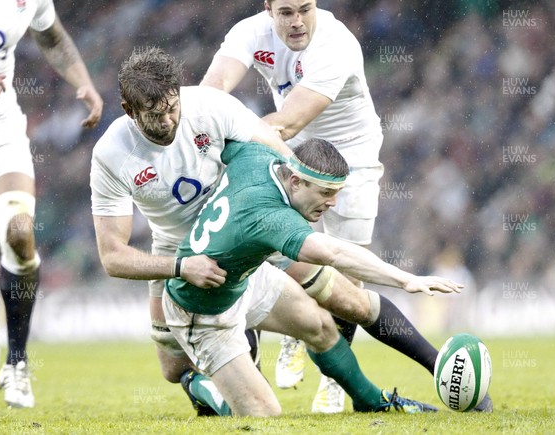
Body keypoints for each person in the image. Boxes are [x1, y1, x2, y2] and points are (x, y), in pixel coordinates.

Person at [198, 0, 498, 414]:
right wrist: (201, 131)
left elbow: (287, 122)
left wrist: (229, 141)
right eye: (285, 12)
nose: (297, 21)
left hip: (350, 161)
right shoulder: (248, 33)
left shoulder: (336, 44)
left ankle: (332, 377)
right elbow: (209, 94)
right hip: (293, 155)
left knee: (346, 274)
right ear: (267, 8)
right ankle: (293, 330)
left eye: (305, 8)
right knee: (278, 246)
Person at [163, 138, 463, 417]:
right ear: (295, 181)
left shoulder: (258, 154)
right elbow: (334, 254)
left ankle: (371, 400)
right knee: (263, 413)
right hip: (202, 308)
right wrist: (404, 279)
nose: (332, 202)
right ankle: (197, 383)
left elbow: (219, 140)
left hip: (246, 278)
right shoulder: (273, 218)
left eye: (336, 193)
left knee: (320, 324)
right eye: (325, 193)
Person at [90, 46, 291, 416]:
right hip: (171, 245)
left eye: (172, 108)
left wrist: (288, 209)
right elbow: (112, 257)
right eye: (154, 115)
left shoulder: (210, 107)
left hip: (229, 226)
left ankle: (336, 380)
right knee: (173, 368)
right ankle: (205, 386)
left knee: (326, 304)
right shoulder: (111, 154)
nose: (167, 121)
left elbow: (277, 151)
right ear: (128, 110)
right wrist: (181, 266)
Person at [0, 1, 102, 408]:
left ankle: (17, 364)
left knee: (19, 232)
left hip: (1, 136)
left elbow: (51, 34)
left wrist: (82, 81)